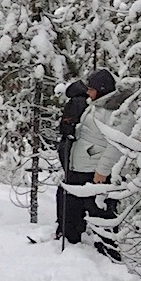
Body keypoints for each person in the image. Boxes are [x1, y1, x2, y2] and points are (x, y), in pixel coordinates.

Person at [68, 68, 129, 259]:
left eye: (91, 88)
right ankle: (75, 251)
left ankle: (109, 256)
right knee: (74, 210)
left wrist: (102, 171)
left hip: (97, 172)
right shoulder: (96, 105)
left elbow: (116, 146)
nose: (88, 92)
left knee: (102, 215)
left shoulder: (118, 113)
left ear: (102, 89)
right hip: (82, 167)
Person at [55, 78, 91, 245]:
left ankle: (65, 227)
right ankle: (76, 226)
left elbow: (66, 128)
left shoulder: (75, 102)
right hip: (78, 150)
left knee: (68, 187)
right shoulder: (86, 102)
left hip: (70, 149)